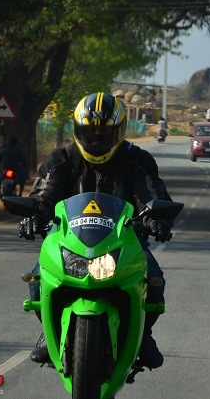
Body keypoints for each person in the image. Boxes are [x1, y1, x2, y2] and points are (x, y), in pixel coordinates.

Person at [18, 92, 175, 370]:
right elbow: (43, 195)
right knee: (36, 280)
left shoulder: (137, 159)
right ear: (78, 129)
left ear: (120, 131)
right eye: (90, 131)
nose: (96, 138)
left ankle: (144, 336)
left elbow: (150, 193)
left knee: (154, 280)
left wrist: (157, 220)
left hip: (125, 240)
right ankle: (49, 331)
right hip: (68, 240)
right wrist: (33, 215)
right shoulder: (61, 159)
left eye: (104, 132)